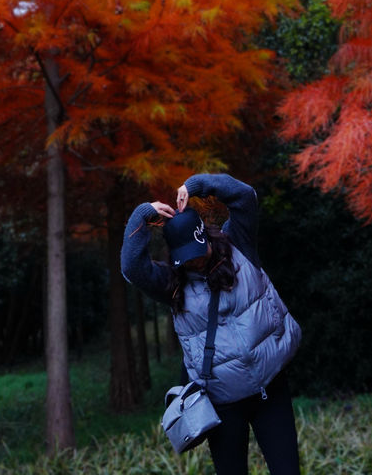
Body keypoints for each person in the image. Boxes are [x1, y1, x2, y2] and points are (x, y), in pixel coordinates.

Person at [121, 172, 302, 475]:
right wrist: (143, 216)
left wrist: (196, 186)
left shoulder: (239, 244)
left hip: (269, 388)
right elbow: (132, 269)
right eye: (185, 259)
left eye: (197, 253)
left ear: (204, 234)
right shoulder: (173, 284)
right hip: (222, 404)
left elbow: (245, 197)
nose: (195, 262)